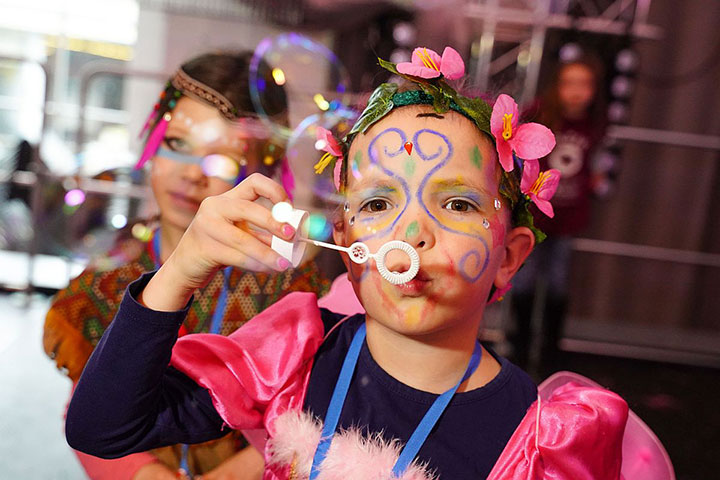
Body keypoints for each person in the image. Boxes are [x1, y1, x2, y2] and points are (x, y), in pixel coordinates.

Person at [65, 47, 627, 479]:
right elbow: (101, 428)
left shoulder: (544, 439)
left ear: (509, 257)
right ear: (346, 242)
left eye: (457, 203)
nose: (411, 232)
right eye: (378, 203)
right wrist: (181, 270)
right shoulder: (292, 354)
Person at [43, 51, 330, 480]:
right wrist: (144, 475)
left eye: (223, 159)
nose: (192, 175)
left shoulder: (294, 289)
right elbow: (85, 410)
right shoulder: (102, 282)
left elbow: (313, 417)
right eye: (178, 144)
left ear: (263, 169)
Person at [510, 53, 608, 372]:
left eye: (584, 84)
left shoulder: (595, 124)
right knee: (524, 280)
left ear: (594, 89)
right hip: (533, 218)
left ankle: (552, 351)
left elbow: (595, 165)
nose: (576, 91)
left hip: (568, 218)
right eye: (569, 83)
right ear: (556, 86)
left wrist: (595, 180)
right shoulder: (538, 113)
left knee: (557, 284)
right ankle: (519, 346)